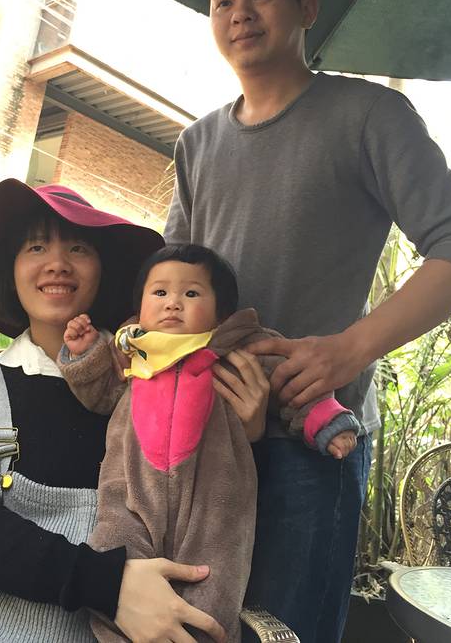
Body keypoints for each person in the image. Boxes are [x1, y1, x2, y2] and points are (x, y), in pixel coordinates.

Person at [164, 0, 451, 642]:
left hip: (312, 442)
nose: (240, 13)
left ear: (307, 9)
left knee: (283, 632)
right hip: (203, 437)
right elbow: (169, 279)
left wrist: (347, 350)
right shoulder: (196, 143)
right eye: (222, 1)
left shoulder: (370, 116)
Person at [0, 180, 235, 643]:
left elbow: (207, 501)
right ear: (11, 272)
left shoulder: (149, 391)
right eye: (36, 246)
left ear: (105, 273)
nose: (57, 263)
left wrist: (245, 428)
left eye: (78, 248)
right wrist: (110, 585)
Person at [59, 243, 359, 643]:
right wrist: (85, 355)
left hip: (216, 500)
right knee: (114, 564)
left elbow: (289, 380)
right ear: (140, 305)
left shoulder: (238, 352)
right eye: (160, 292)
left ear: (221, 313)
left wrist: (326, 420)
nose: (173, 303)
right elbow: (100, 394)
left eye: (191, 293)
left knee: (212, 581)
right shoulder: (130, 353)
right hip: (130, 494)